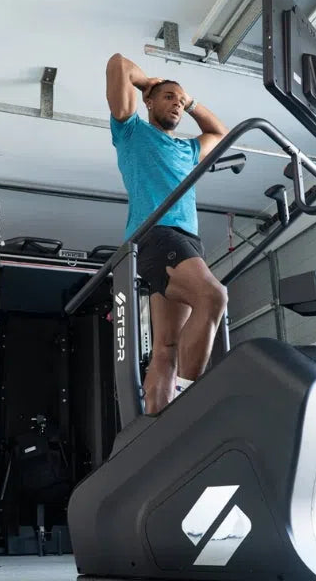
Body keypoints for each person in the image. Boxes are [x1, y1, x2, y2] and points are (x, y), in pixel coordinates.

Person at [106, 53, 229, 415]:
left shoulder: (189, 149)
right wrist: (149, 84)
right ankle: (190, 402)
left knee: (166, 348)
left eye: (179, 100)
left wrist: (189, 101)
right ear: (148, 102)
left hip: (186, 240)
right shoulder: (131, 131)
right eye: (168, 97)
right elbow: (118, 64)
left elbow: (220, 134)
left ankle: (156, 423)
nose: (175, 103)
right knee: (213, 297)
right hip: (158, 234)